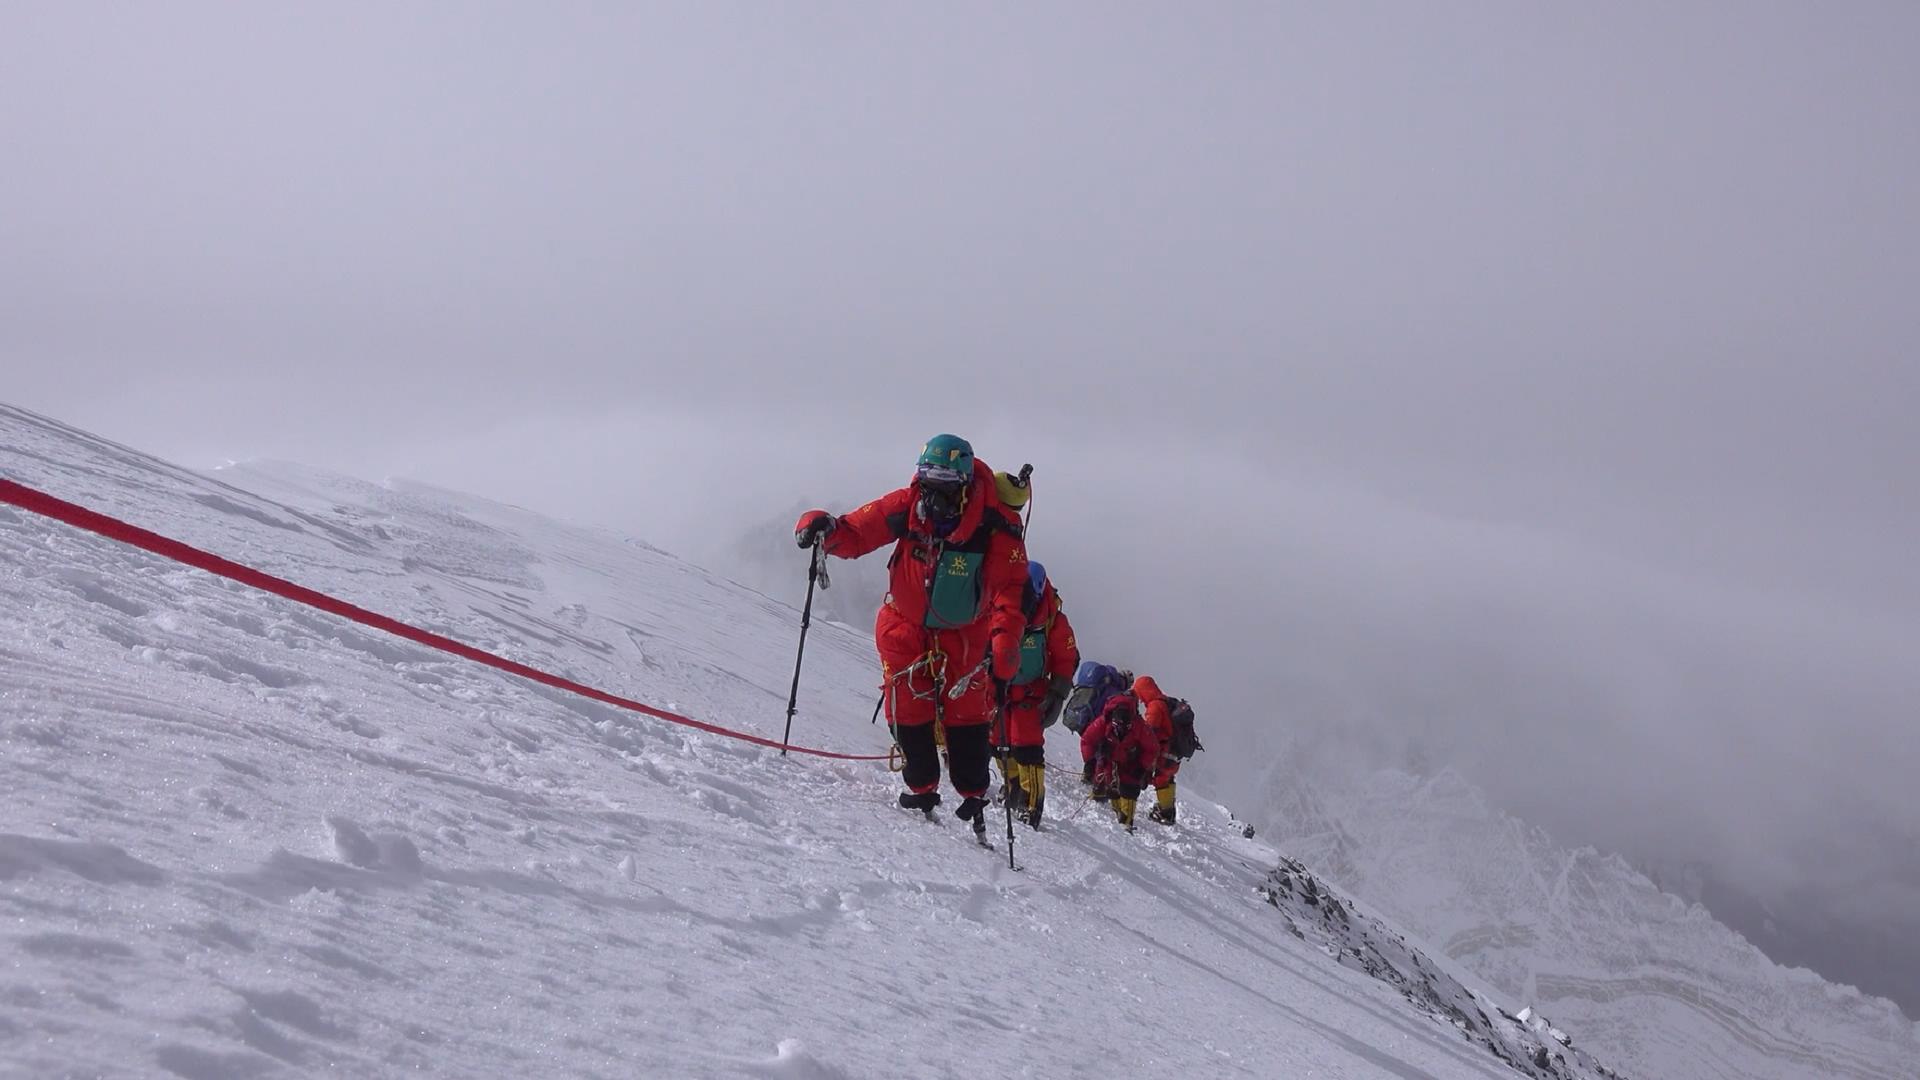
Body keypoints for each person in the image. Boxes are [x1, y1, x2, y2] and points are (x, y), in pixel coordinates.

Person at [794, 435, 1029, 832]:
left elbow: (1011, 588)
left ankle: (973, 791)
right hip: (905, 625)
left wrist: (1005, 639)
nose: (932, 489)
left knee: (967, 713)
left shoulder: (995, 526)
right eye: (927, 477)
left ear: (965, 482)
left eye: (943, 480)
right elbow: (857, 531)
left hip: (966, 633)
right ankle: (921, 786)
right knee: (907, 708)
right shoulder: (908, 504)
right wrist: (823, 528)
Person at [993, 561, 1078, 829]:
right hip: (998, 686)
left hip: (1032, 691)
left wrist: (1058, 693)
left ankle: (1031, 803)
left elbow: (1066, 657)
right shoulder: (998, 602)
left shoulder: (1053, 619)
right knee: (997, 741)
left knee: (1026, 745)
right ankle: (1013, 786)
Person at [1080, 693, 1161, 831]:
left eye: (1127, 726)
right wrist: (1089, 761)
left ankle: (1126, 824)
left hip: (1132, 764)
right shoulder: (1102, 722)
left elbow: (1152, 748)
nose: (1122, 729)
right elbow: (1087, 740)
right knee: (1111, 789)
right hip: (1109, 762)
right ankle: (1115, 818)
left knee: (1130, 790)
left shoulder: (1140, 726)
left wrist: (1142, 767)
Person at [1131, 674, 1183, 825]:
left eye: (1140, 694)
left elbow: (1150, 734)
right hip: (1174, 751)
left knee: (1161, 779)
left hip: (1166, 752)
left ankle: (1166, 813)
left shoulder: (1154, 707)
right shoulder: (1165, 701)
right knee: (1167, 777)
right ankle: (1168, 809)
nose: (1140, 699)